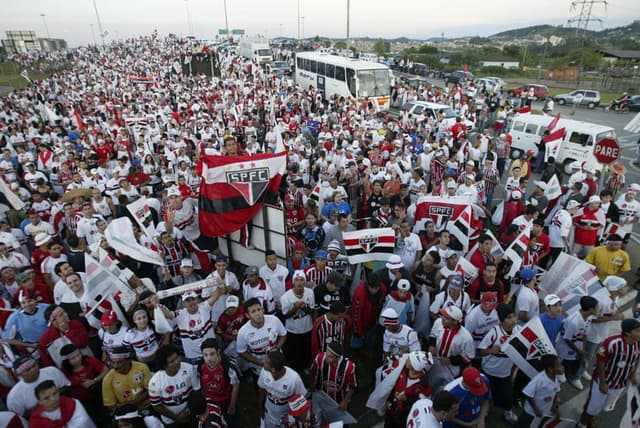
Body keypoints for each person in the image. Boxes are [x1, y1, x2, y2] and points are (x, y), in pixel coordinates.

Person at [579, 319, 640, 428]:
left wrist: (633, 374)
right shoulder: (611, 343)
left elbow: (636, 359)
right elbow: (600, 362)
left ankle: (592, 417)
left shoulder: (638, 344)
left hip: (620, 385)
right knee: (592, 406)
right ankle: (582, 424)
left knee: (604, 406)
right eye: (637, 330)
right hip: (603, 382)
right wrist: (603, 382)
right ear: (627, 333)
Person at [477, 304, 519, 423]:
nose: (513, 320)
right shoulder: (494, 332)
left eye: (513, 316)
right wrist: (491, 350)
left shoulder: (518, 330)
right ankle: (482, 413)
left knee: (507, 394)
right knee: (485, 394)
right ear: (501, 320)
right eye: (509, 317)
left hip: (505, 373)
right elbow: (480, 352)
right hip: (489, 371)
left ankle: (508, 412)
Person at [148, 344, 200, 426]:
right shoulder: (154, 382)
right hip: (170, 421)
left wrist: (187, 411)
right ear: (164, 365)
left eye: (177, 357)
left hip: (192, 414)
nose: (177, 361)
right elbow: (156, 405)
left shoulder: (189, 368)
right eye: (172, 361)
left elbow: (197, 391)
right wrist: (176, 418)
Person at [427, 306, 475, 392]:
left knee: (445, 389)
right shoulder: (438, 322)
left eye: (446, 318)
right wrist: (432, 345)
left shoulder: (466, 338)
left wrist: (451, 360)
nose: (442, 318)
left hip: (451, 370)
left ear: (455, 321)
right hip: (435, 363)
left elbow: (469, 357)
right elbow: (433, 335)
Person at [236, 297, 287, 377]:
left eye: (259, 309)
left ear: (263, 310)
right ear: (247, 315)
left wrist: (277, 347)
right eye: (253, 311)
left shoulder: (274, 320)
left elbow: (283, 334)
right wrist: (258, 361)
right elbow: (241, 352)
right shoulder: (243, 332)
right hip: (258, 368)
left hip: (277, 362)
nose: (257, 313)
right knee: (261, 387)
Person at [556, 295, 599, 391]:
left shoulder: (588, 318)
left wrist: (583, 348)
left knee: (575, 361)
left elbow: (584, 334)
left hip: (577, 347)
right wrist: (578, 351)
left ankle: (572, 373)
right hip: (566, 349)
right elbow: (567, 338)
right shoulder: (574, 321)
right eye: (597, 307)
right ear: (591, 309)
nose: (598, 309)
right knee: (563, 362)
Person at [6, 355, 70, 419]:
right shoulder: (14, 396)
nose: (33, 370)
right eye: (27, 370)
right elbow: (21, 418)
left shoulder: (52, 371)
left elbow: (67, 387)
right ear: (19, 374)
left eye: (34, 365)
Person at [257, 350, 307, 428]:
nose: (263, 362)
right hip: (269, 412)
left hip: (287, 415)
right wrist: (260, 407)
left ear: (273, 369)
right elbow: (261, 389)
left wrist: (292, 417)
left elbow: (302, 398)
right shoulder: (264, 371)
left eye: (266, 362)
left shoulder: (294, 379)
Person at [383, 350, 433, 427]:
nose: (406, 360)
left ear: (414, 366)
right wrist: (388, 401)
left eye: (409, 360)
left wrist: (406, 399)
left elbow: (422, 404)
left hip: (405, 416)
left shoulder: (424, 384)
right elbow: (391, 385)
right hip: (391, 410)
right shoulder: (401, 370)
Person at [199, 338, 240, 428]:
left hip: (226, 403)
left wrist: (232, 406)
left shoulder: (228, 365)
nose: (209, 358)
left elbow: (235, 386)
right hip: (210, 404)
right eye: (205, 355)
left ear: (218, 351)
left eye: (212, 354)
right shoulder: (200, 365)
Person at [280, 270, 315, 371]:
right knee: (293, 350)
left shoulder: (310, 292)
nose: (299, 282)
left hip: (307, 327)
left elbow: (312, 310)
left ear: (305, 282)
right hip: (292, 330)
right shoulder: (285, 297)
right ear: (293, 282)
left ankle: (306, 366)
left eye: (302, 280)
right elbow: (285, 316)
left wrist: (304, 307)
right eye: (297, 280)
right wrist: (295, 309)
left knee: (306, 349)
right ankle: (294, 368)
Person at [519, 354, 565, 428]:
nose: (563, 367)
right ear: (551, 369)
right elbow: (527, 394)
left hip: (545, 411)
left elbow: (555, 392)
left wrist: (555, 406)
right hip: (531, 413)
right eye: (559, 366)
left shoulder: (557, 378)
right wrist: (536, 409)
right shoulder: (539, 380)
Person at [102, 346, 152, 412]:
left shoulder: (142, 367)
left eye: (119, 362)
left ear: (129, 360)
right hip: (127, 412)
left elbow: (150, 389)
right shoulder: (107, 379)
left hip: (148, 406)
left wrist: (133, 403)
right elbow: (111, 406)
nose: (115, 366)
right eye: (113, 362)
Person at [309, 342, 357, 411]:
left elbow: (353, 386)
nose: (327, 359)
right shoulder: (320, 358)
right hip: (323, 396)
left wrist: (345, 401)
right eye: (327, 355)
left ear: (338, 357)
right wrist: (311, 383)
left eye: (330, 357)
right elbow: (312, 371)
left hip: (339, 400)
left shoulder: (349, 367)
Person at [29, 380, 96, 428]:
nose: (53, 399)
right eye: (46, 398)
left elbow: (83, 423)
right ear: (39, 402)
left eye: (55, 393)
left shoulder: (73, 403)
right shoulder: (35, 421)